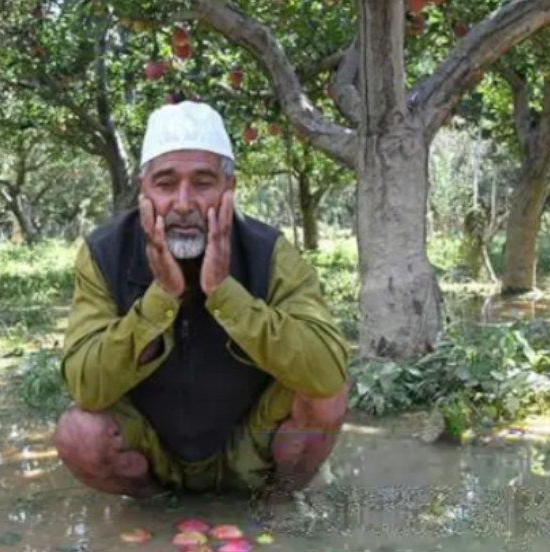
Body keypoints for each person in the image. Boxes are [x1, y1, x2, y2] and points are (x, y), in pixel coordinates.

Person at [52, 101, 350, 499]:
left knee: (325, 402)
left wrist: (224, 293)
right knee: (79, 433)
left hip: (250, 449)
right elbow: (86, 386)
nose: (184, 203)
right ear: (144, 190)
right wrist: (162, 298)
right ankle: (159, 507)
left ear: (229, 188)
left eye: (204, 182)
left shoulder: (271, 252)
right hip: (154, 450)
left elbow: (328, 373)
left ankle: (276, 504)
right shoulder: (104, 253)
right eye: (166, 183)